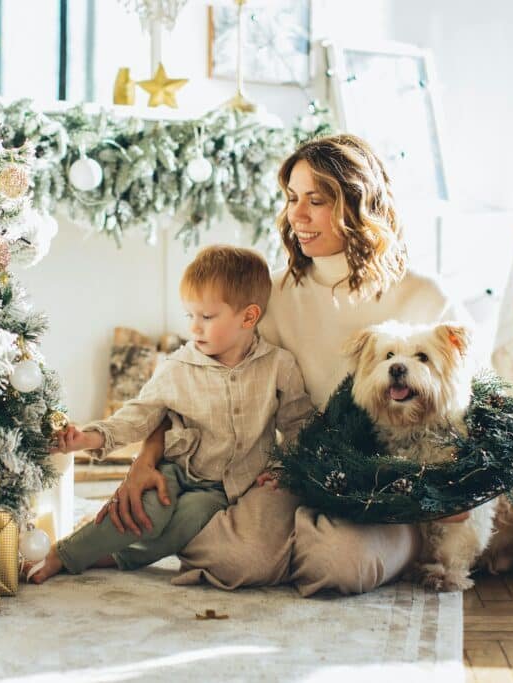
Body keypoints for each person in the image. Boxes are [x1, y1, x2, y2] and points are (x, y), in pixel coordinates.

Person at [95, 134, 472, 596]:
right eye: (292, 198)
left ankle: (382, 541)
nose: (297, 215)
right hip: (293, 468)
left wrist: (444, 491)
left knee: (338, 566)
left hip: (389, 481)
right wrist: (145, 459)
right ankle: (302, 531)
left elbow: (483, 400)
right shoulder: (271, 296)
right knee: (228, 558)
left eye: (316, 201)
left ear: (357, 205)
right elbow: (191, 373)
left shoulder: (424, 295)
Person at [26, 245, 314, 583]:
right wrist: (86, 438)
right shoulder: (178, 367)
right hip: (176, 469)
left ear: (248, 317)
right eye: (190, 315)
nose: (194, 328)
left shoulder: (279, 366)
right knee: (148, 511)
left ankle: (118, 556)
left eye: (206, 317)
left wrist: (284, 468)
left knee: (192, 518)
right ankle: (65, 553)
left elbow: (299, 424)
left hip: (223, 488)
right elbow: (137, 416)